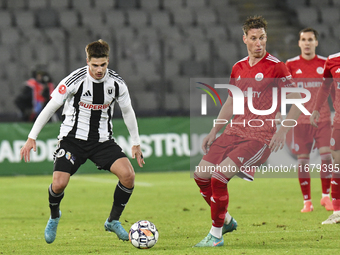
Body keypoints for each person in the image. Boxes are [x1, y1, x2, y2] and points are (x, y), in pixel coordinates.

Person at [193, 16, 304, 247]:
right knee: (201, 175)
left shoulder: (276, 66)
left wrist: (283, 131)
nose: (258, 43)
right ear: (245, 39)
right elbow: (231, 102)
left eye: (262, 38)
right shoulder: (238, 67)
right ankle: (227, 220)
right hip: (233, 131)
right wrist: (214, 130)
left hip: (259, 136)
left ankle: (215, 236)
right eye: (253, 38)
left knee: (219, 176)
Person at [20, 39, 145, 243]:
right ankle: (54, 216)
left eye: (103, 65)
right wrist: (31, 137)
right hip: (72, 141)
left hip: (102, 141)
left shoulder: (117, 83)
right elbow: (51, 107)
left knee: (128, 175)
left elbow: (128, 111)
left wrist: (136, 143)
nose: (99, 70)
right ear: (87, 61)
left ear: (108, 61)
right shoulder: (74, 80)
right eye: (94, 65)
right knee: (59, 184)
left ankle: (112, 221)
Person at [285, 28, 333, 213]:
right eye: (303, 39)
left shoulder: (326, 63)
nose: (306, 43)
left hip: (322, 119)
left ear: (316, 42)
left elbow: (334, 89)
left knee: (326, 156)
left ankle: (325, 197)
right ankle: (307, 202)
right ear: (299, 43)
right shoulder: (290, 65)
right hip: (300, 121)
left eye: (310, 39)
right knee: (303, 161)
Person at [311, 52, 340, 224]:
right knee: (336, 161)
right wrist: (316, 109)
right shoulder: (332, 60)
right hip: (339, 120)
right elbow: (325, 87)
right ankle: (337, 212)